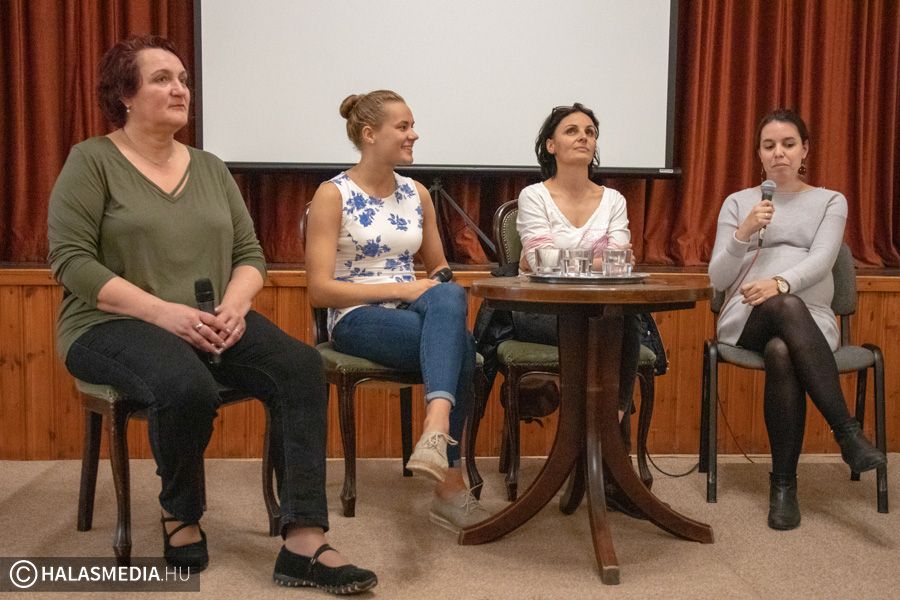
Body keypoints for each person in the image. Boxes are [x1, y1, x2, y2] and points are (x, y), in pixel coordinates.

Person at [47, 35, 376, 593]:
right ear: (125, 94)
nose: (180, 89)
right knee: (187, 386)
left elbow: (249, 255)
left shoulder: (210, 167)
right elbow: (70, 261)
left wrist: (236, 306)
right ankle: (180, 513)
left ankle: (303, 538)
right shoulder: (92, 160)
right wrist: (164, 314)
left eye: (183, 79)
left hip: (210, 318)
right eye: (161, 79)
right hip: (108, 325)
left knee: (300, 366)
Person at [305, 90, 488, 533]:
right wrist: (402, 289)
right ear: (370, 134)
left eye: (412, 126)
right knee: (461, 346)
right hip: (356, 316)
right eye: (403, 127)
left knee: (449, 293)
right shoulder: (333, 194)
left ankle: (435, 425)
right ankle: (449, 483)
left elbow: (438, 268)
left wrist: (430, 288)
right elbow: (319, 291)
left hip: (416, 309)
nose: (414, 134)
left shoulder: (417, 193)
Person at [708, 108, 886, 531]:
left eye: (788, 144)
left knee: (781, 350)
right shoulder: (738, 203)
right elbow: (717, 278)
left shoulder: (830, 201)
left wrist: (780, 283)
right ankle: (846, 432)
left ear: (805, 149)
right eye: (769, 146)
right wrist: (743, 232)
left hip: (813, 322)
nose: (779, 153)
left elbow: (823, 260)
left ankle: (784, 487)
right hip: (745, 319)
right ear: (759, 154)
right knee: (784, 309)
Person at [516, 103, 642, 424]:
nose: (583, 137)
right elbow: (540, 263)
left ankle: (609, 420)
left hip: (598, 307)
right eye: (571, 131)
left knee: (621, 318)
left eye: (590, 132)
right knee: (608, 324)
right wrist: (599, 262)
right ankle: (605, 427)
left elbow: (619, 265)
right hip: (541, 309)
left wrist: (556, 260)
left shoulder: (613, 200)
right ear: (551, 145)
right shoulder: (533, 196)